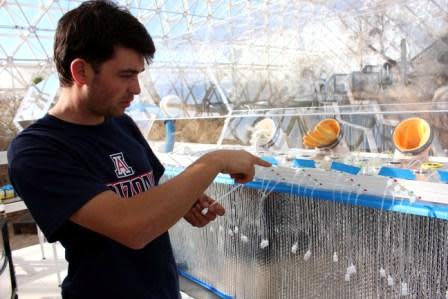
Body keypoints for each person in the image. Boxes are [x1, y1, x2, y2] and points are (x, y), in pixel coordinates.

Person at [7, 1, 270, 299]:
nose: (136, 89)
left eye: (138, 75)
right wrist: (214, 161)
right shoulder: (37, 150)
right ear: (81, 71)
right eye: (125, 75)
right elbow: (131, 227)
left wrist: (185, 200)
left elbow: (147, 188)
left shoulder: (122, 125)